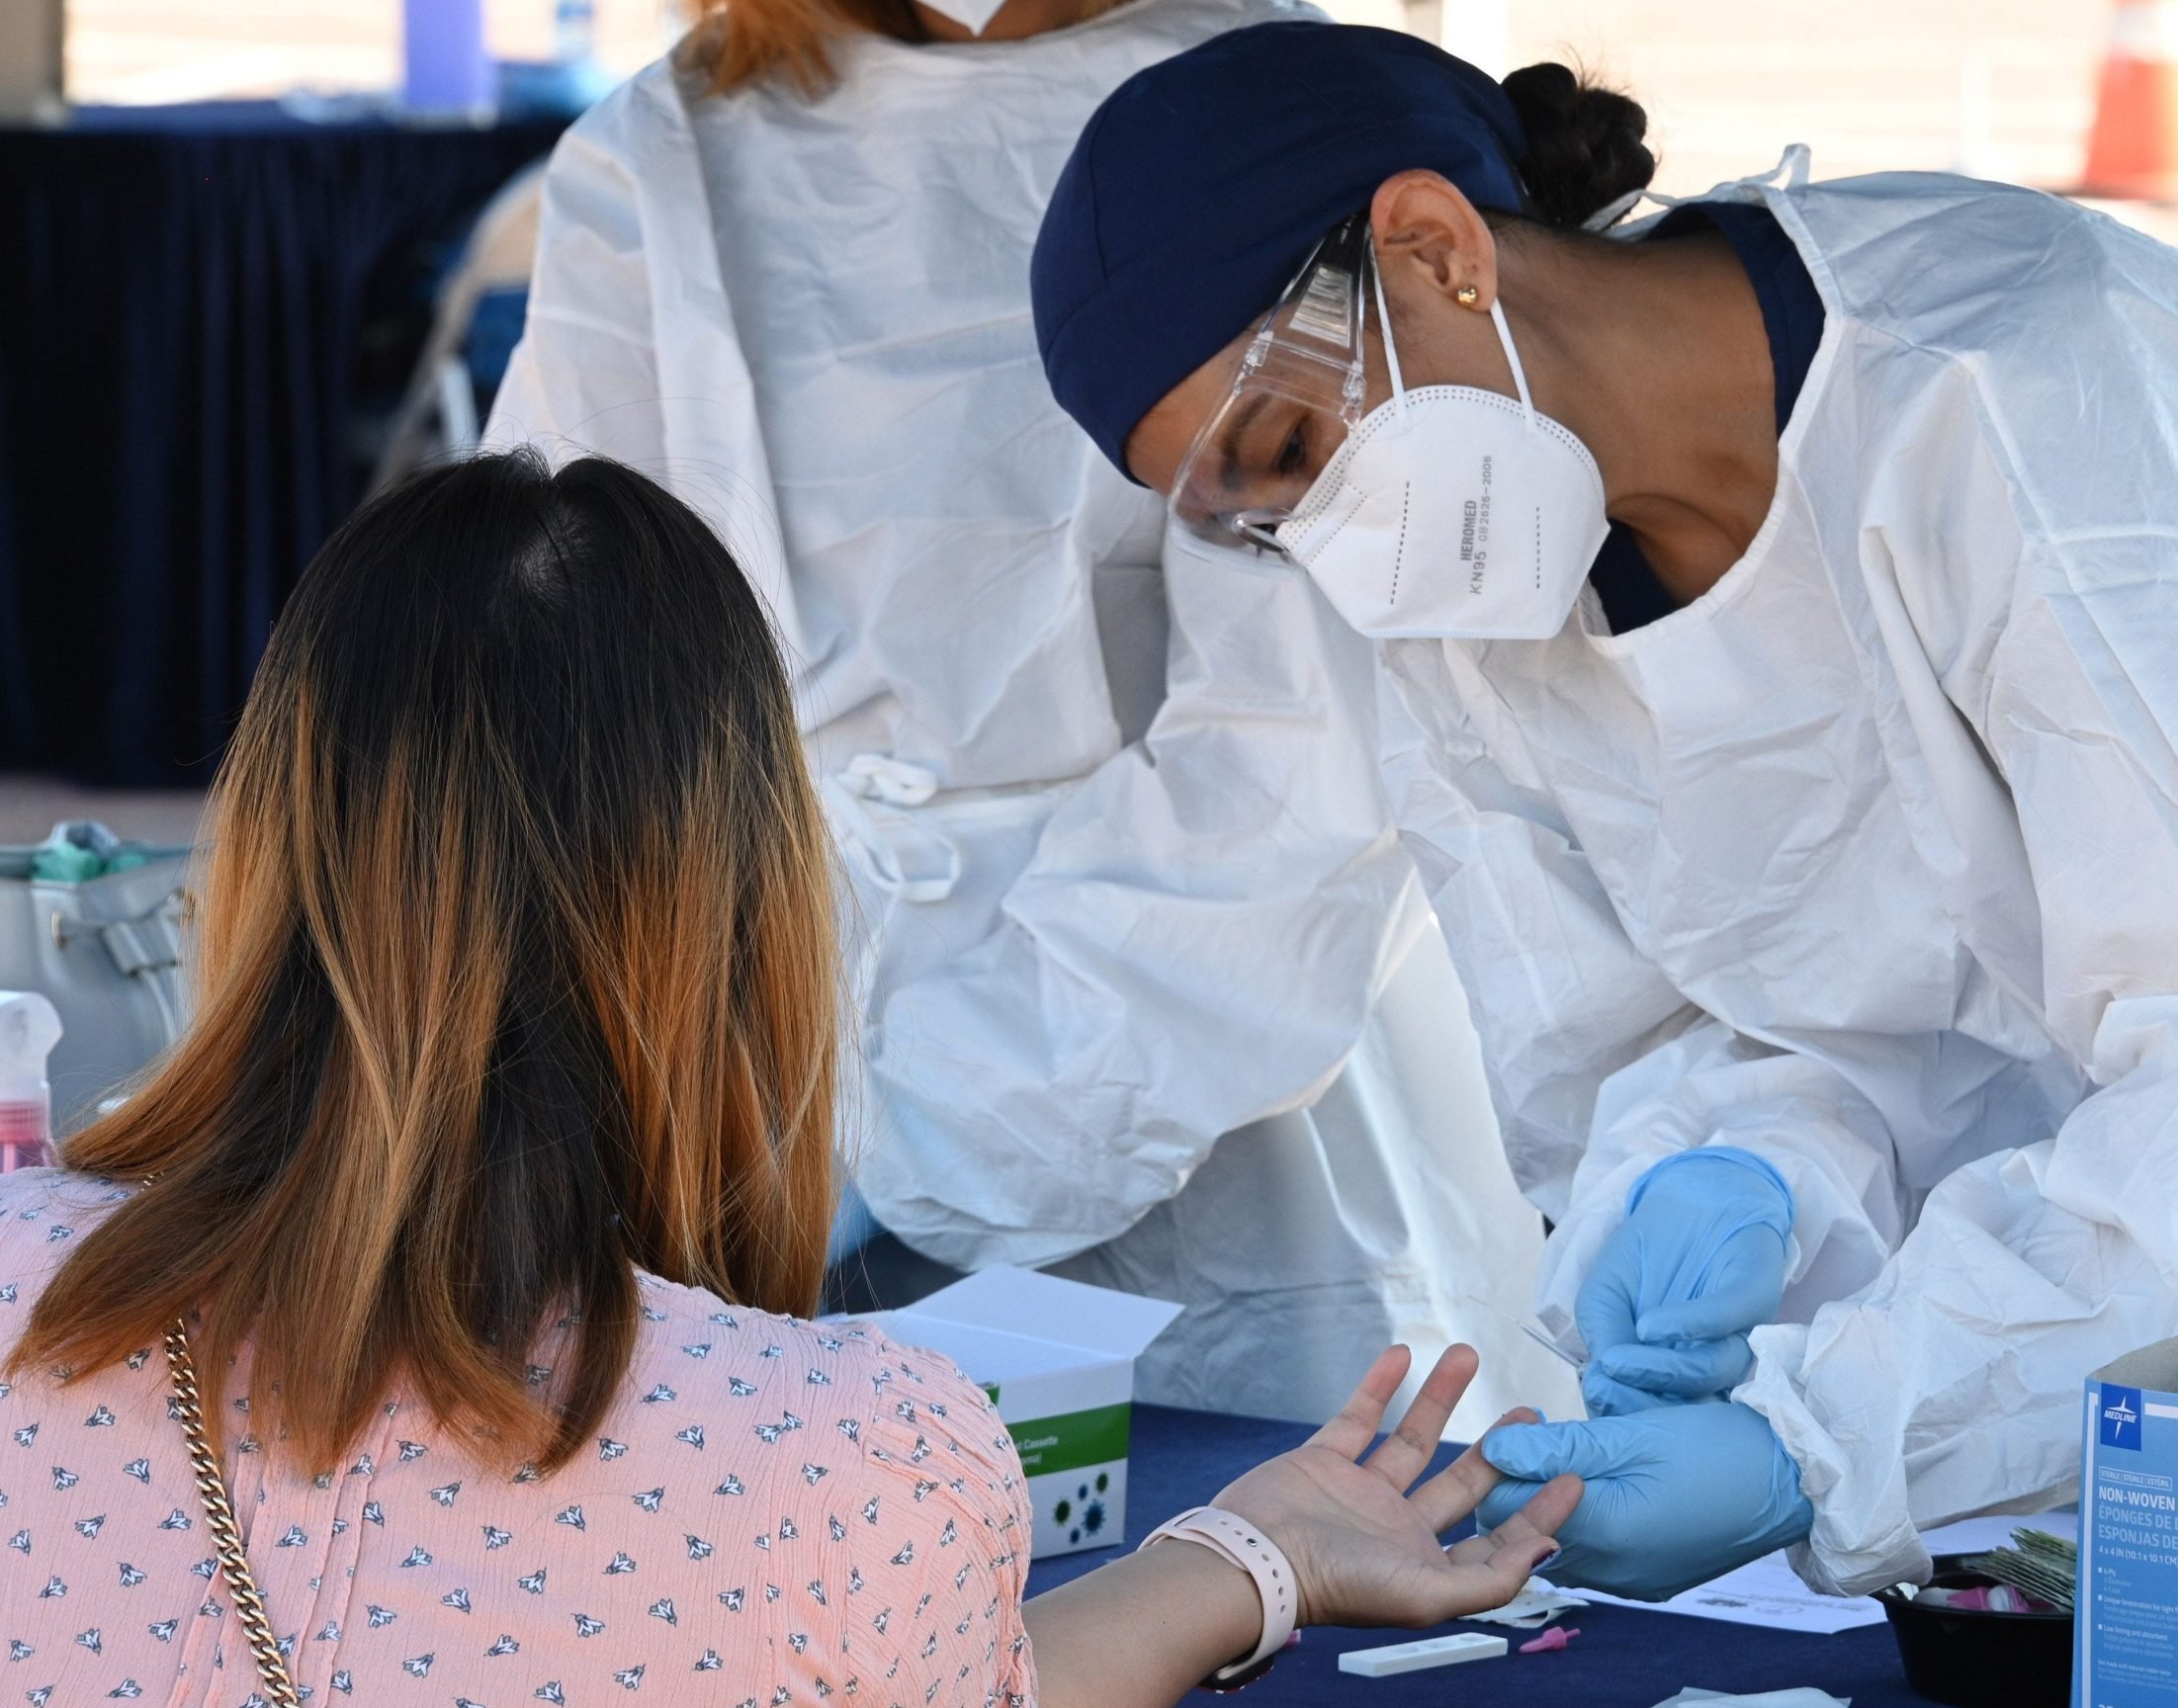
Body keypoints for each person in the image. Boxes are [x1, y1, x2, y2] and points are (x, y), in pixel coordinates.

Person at [1027, 21, 2178, 1600]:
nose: (1324, 539)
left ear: (1434, 245)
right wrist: (1726, 1172)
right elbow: (1657, 1035)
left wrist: (1825, 1444)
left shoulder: (2024, 401)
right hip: (2085, 1259)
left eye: (1292, 446)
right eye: (1255, 521)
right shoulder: (1483, 594)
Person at [0, 451, 1576, 1708]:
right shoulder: (835, 1455)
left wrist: (1256, 1553)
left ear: (268, 840)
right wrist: (1260, 1559)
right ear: (741, 905)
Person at [486, 0, 1569, 1428]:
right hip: (760, 1035)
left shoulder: (1247, 102)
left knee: (1225, 1542)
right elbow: (566, 650)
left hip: (1220, 1046)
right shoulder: (668, 149)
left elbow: (1299, 758)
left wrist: (937, 1134)